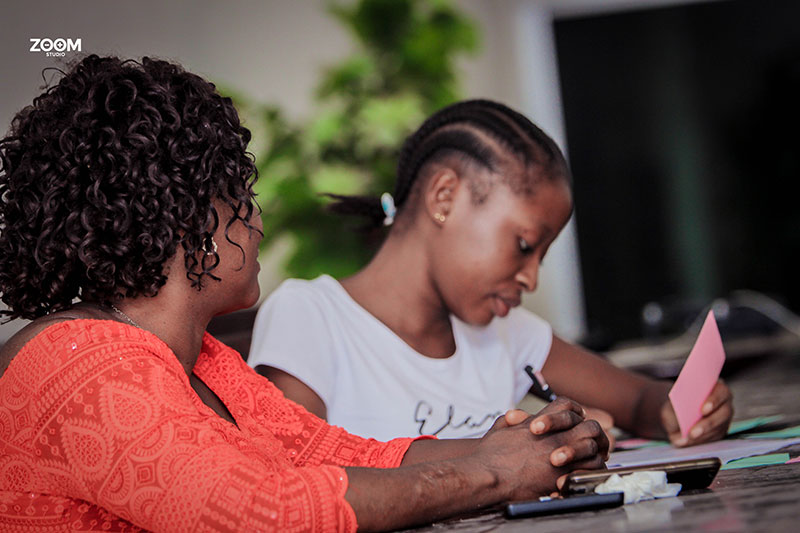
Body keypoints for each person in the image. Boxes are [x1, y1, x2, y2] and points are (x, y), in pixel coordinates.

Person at [0, 55, 609, 532]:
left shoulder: (205, 365)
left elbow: (343, 455)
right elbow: (263, 512)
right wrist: (493, 476)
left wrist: (515, 449)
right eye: (242, 200)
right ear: (191, 219)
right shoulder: (79, 363)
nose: (257, 223)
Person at [248, 99, 733, 446]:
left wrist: (681, 408)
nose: (531, 279)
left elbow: (641, 403)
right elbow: (297, 477)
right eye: (524, 246)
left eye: (541, 256)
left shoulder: (506, 334)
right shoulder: (310, 316)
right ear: (445, 198)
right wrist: (511, 457)